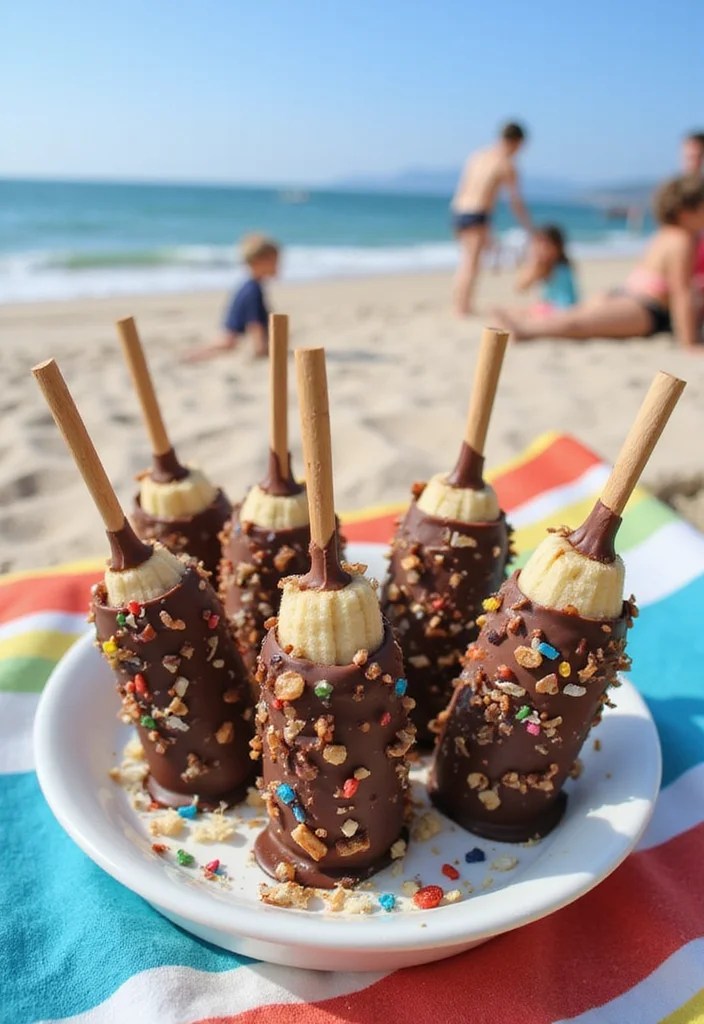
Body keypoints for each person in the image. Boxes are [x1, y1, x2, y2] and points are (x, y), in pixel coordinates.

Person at [494, 176, 704, 349]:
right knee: (578, 323)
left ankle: (522, 326)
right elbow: (681, 292)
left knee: (575, 318)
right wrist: (689, 342)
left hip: (625, 294)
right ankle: (524, 330)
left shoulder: (665, 234)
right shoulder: (682, 240)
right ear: (686, 211)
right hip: (645, 307)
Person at [451, 121, 532, 316]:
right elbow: (516, 202)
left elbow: (463, 187)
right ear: (516, 142)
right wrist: (530, 227)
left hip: (458, 210)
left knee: (466, 262)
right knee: (472, 264)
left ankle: (460, 304)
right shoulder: (506, 164)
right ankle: (462, 308)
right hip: (477, 214)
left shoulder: (477, 156)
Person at [184, 234, 279, 362]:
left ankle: (191, 354)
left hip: (232, 334)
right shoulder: (253, 290)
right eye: (274, 261)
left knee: (221, 345)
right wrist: (261, 349)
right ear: (258, 261)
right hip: (236, 337)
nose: (278, 265)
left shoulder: (248, 285)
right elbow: (254, 323)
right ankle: (191, 356)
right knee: (225, 345)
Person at [512, 225, 578, 315]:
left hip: (562, 310)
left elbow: (522, 286)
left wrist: (535, 263)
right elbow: (521, 287)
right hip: (556, 309)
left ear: (557, 248)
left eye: (546, 246)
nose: (541, 249)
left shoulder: (557, 268)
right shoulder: (552, 266)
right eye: (538, 244)